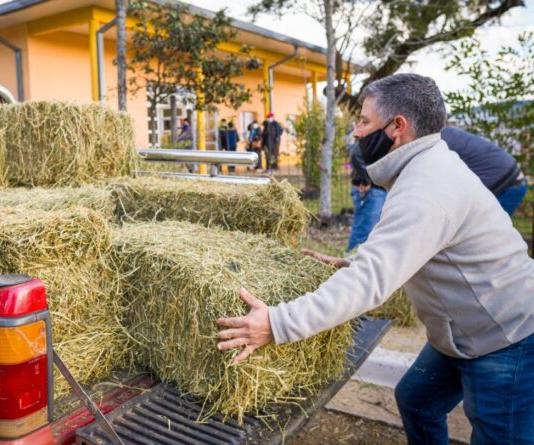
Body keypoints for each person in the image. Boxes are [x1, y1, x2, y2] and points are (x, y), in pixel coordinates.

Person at [216, 73, 534, 444]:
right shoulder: (423, 166)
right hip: (463, 330)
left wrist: (277, 323)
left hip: (504, 335)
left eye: (364, 122)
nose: (356, 132)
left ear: (397, 126)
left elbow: (371, 284)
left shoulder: (426, 188)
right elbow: (402, 245)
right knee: (416, 400)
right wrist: (352, 261)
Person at [347, 125, 529, 251]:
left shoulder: (434, 142)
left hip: (505, 184)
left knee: (482, 242)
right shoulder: (436, 137)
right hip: (504, 178)